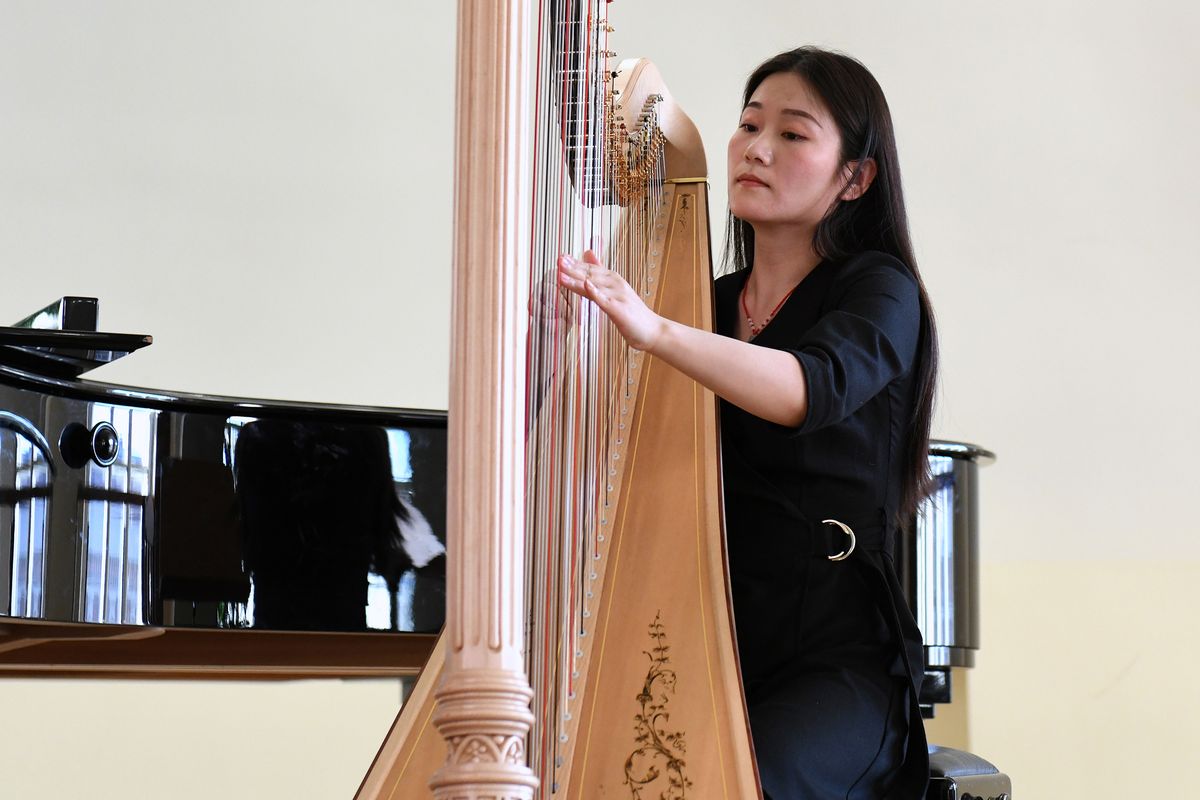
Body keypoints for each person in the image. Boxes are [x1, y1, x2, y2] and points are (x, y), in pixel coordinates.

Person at [557, 46, 936, 799]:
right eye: (749, 124)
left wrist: (656, 331)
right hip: (701, 646)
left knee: (723, 785)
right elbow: (594, 447)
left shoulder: (878, 289)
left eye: (792, 134)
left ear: (856, 177)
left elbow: (812, 388)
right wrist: (555, 342)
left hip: (834, 665)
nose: (757, 148)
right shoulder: (704, 303)